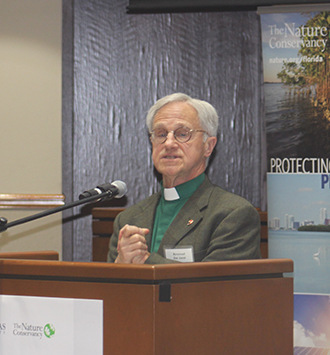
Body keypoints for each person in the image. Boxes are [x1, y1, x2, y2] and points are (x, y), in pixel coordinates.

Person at [107, 93, 261, 264]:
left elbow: (216, 285)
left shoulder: (232, 214)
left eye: (182, 134)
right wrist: (120, 265)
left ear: (208, 146)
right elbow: (109, 289)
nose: (169, 143)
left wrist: (144, 260)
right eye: (161, 134)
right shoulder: (129, 219)